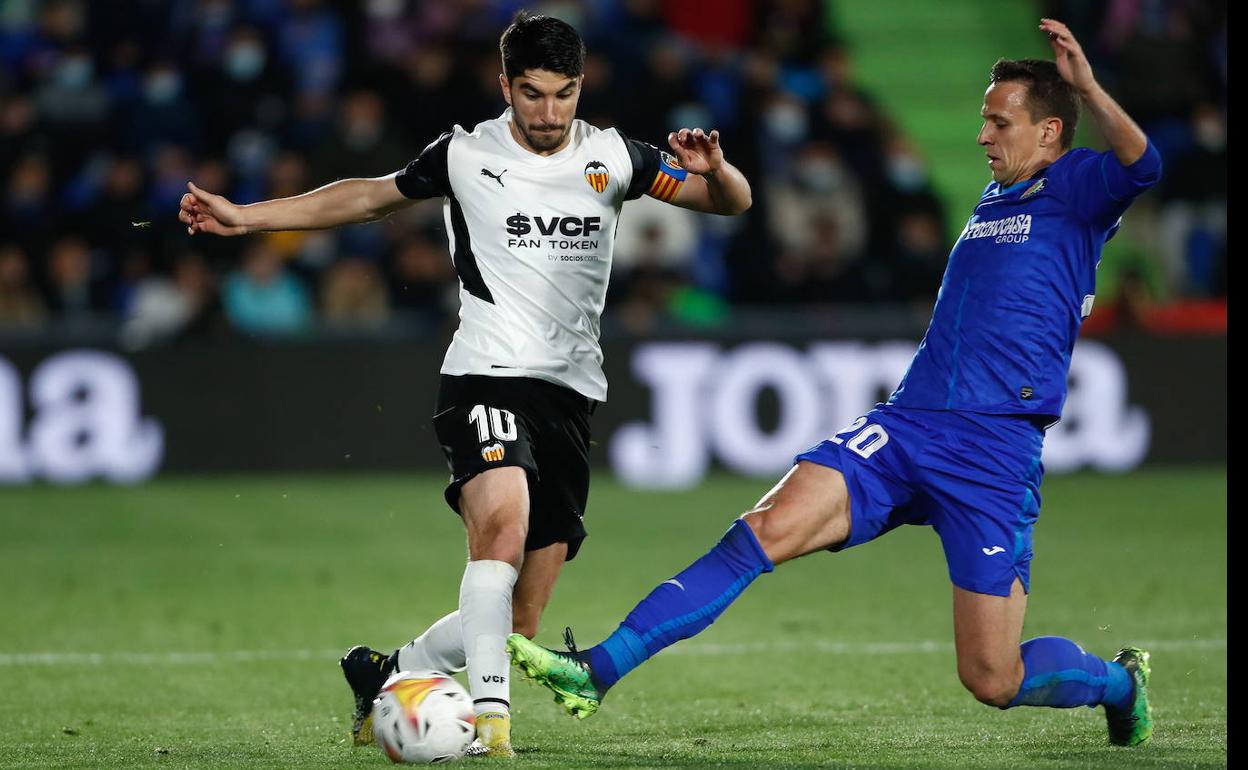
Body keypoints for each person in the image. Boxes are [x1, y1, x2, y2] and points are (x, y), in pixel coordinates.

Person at [507, 18, 1161, 749]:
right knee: (763, 529)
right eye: (980, 119)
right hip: (909, 426)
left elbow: (1145, 165)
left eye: (998, 121)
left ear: (1048, 133)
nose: (982, 135)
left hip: (993, 454)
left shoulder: (1076, 189)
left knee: (992, 678)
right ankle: (597, 669)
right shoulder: (994, 199)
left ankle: (1118, 683)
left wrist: (1089, 89)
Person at [178, 11, 750, 758]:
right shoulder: (463, 154)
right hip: (484, 375)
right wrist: (248, 218)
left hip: (571, 394)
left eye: (564, 94)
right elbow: (366, 196)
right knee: (501, 534)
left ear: (583, 86)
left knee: (519, 623)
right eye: (534, 94)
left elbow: (728, 203)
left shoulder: (617, 158)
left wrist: (719, 168)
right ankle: (490, 723)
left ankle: (390, 674)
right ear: (505, 85)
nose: (549, 113)